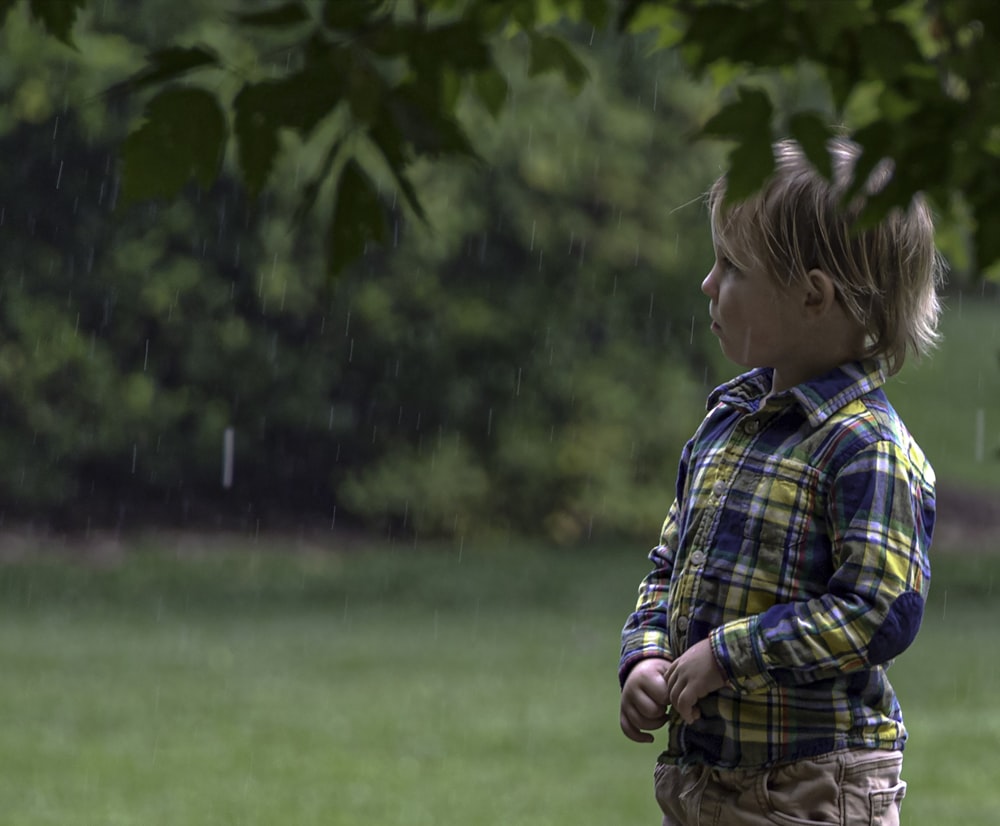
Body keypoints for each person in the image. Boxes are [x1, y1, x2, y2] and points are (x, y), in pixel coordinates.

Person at [618, 137, 944, 826]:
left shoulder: (866, 448)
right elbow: (670, 563)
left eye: (731, 266)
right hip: (709, 775)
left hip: (812, 784)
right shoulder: (728, 422)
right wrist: (649, 655)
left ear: (812, 296)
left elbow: (877, 611)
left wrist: (731, 655)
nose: (709, 284)